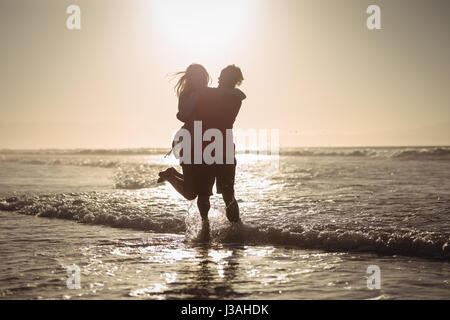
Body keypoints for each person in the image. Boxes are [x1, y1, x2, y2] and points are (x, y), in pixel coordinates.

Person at [158, 64, 246, 224]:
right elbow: (185, 115)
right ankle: (206, 227)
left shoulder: (230, 96)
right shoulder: (219, 94)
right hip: (201, 145)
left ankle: (235, 229)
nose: (219, 80)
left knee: (226, 193)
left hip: (220, 146)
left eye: (224, 78)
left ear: (234, 81)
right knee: (203, 193)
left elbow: (184, 114)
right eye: (220, 77)